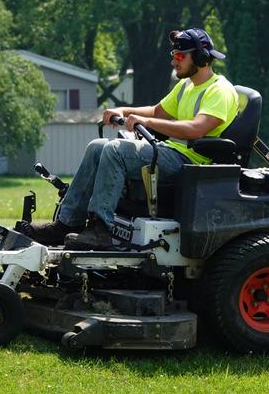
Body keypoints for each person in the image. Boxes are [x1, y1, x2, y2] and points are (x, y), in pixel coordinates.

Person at [20, 28, 239, 249]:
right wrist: (123, 110)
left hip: (191, 163)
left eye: (180, 56)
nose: (174, 61)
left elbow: (196, 129)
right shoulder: (186, 86)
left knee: (116, 150)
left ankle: (101, 229)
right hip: (170, 152)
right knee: (97, 147)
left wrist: (147, 124)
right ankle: (67, 224)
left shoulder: (219, 91)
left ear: (201, 57)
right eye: (173, 56)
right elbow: (157, 112)